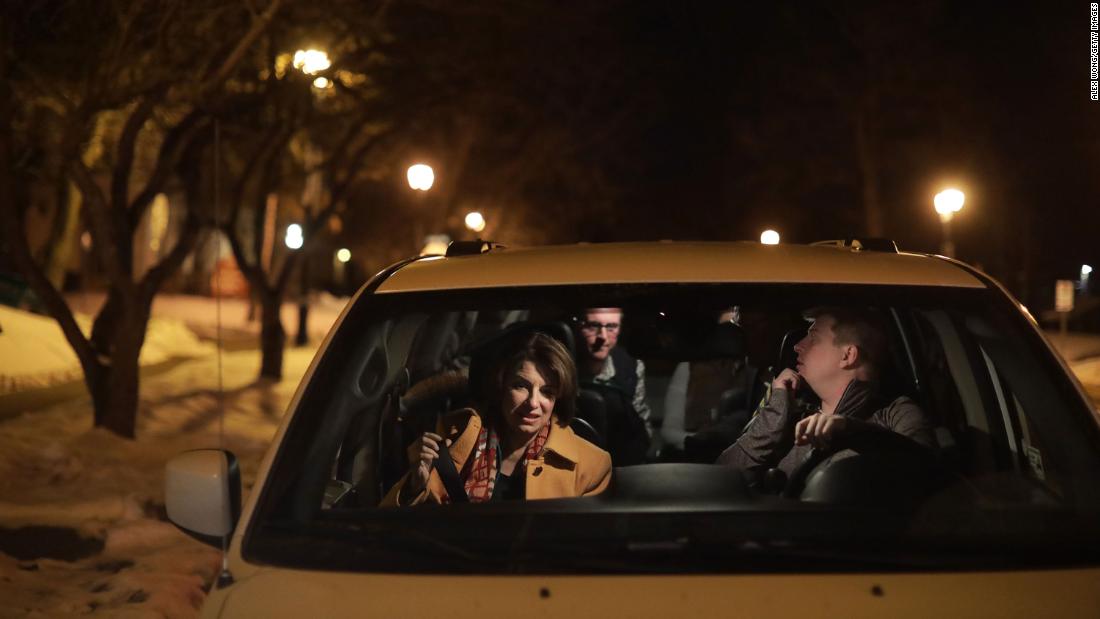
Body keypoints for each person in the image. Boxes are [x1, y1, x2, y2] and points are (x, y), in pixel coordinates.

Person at [383, 331, 611, 505]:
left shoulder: (592, 465)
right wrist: (415, 486)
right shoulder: (452, 440)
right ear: (500, 386)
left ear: (558, 399)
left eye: (547, 392)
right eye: (520, 386)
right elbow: (395, 532)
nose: (533, 403)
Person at [717, 307, 935, 488]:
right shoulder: (791, 418)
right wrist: (772, 418)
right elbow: (720, 481)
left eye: (813, 338)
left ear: (847, 355)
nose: (797, 346)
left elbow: (925, 471)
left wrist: (848, 429)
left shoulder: (895, 414)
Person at [575, 307, 652, 464]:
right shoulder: (561, 366)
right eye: (593, 326)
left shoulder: (631, 366)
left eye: (611, 327)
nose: (602, 336)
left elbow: (642, 427)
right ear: (579, 327)